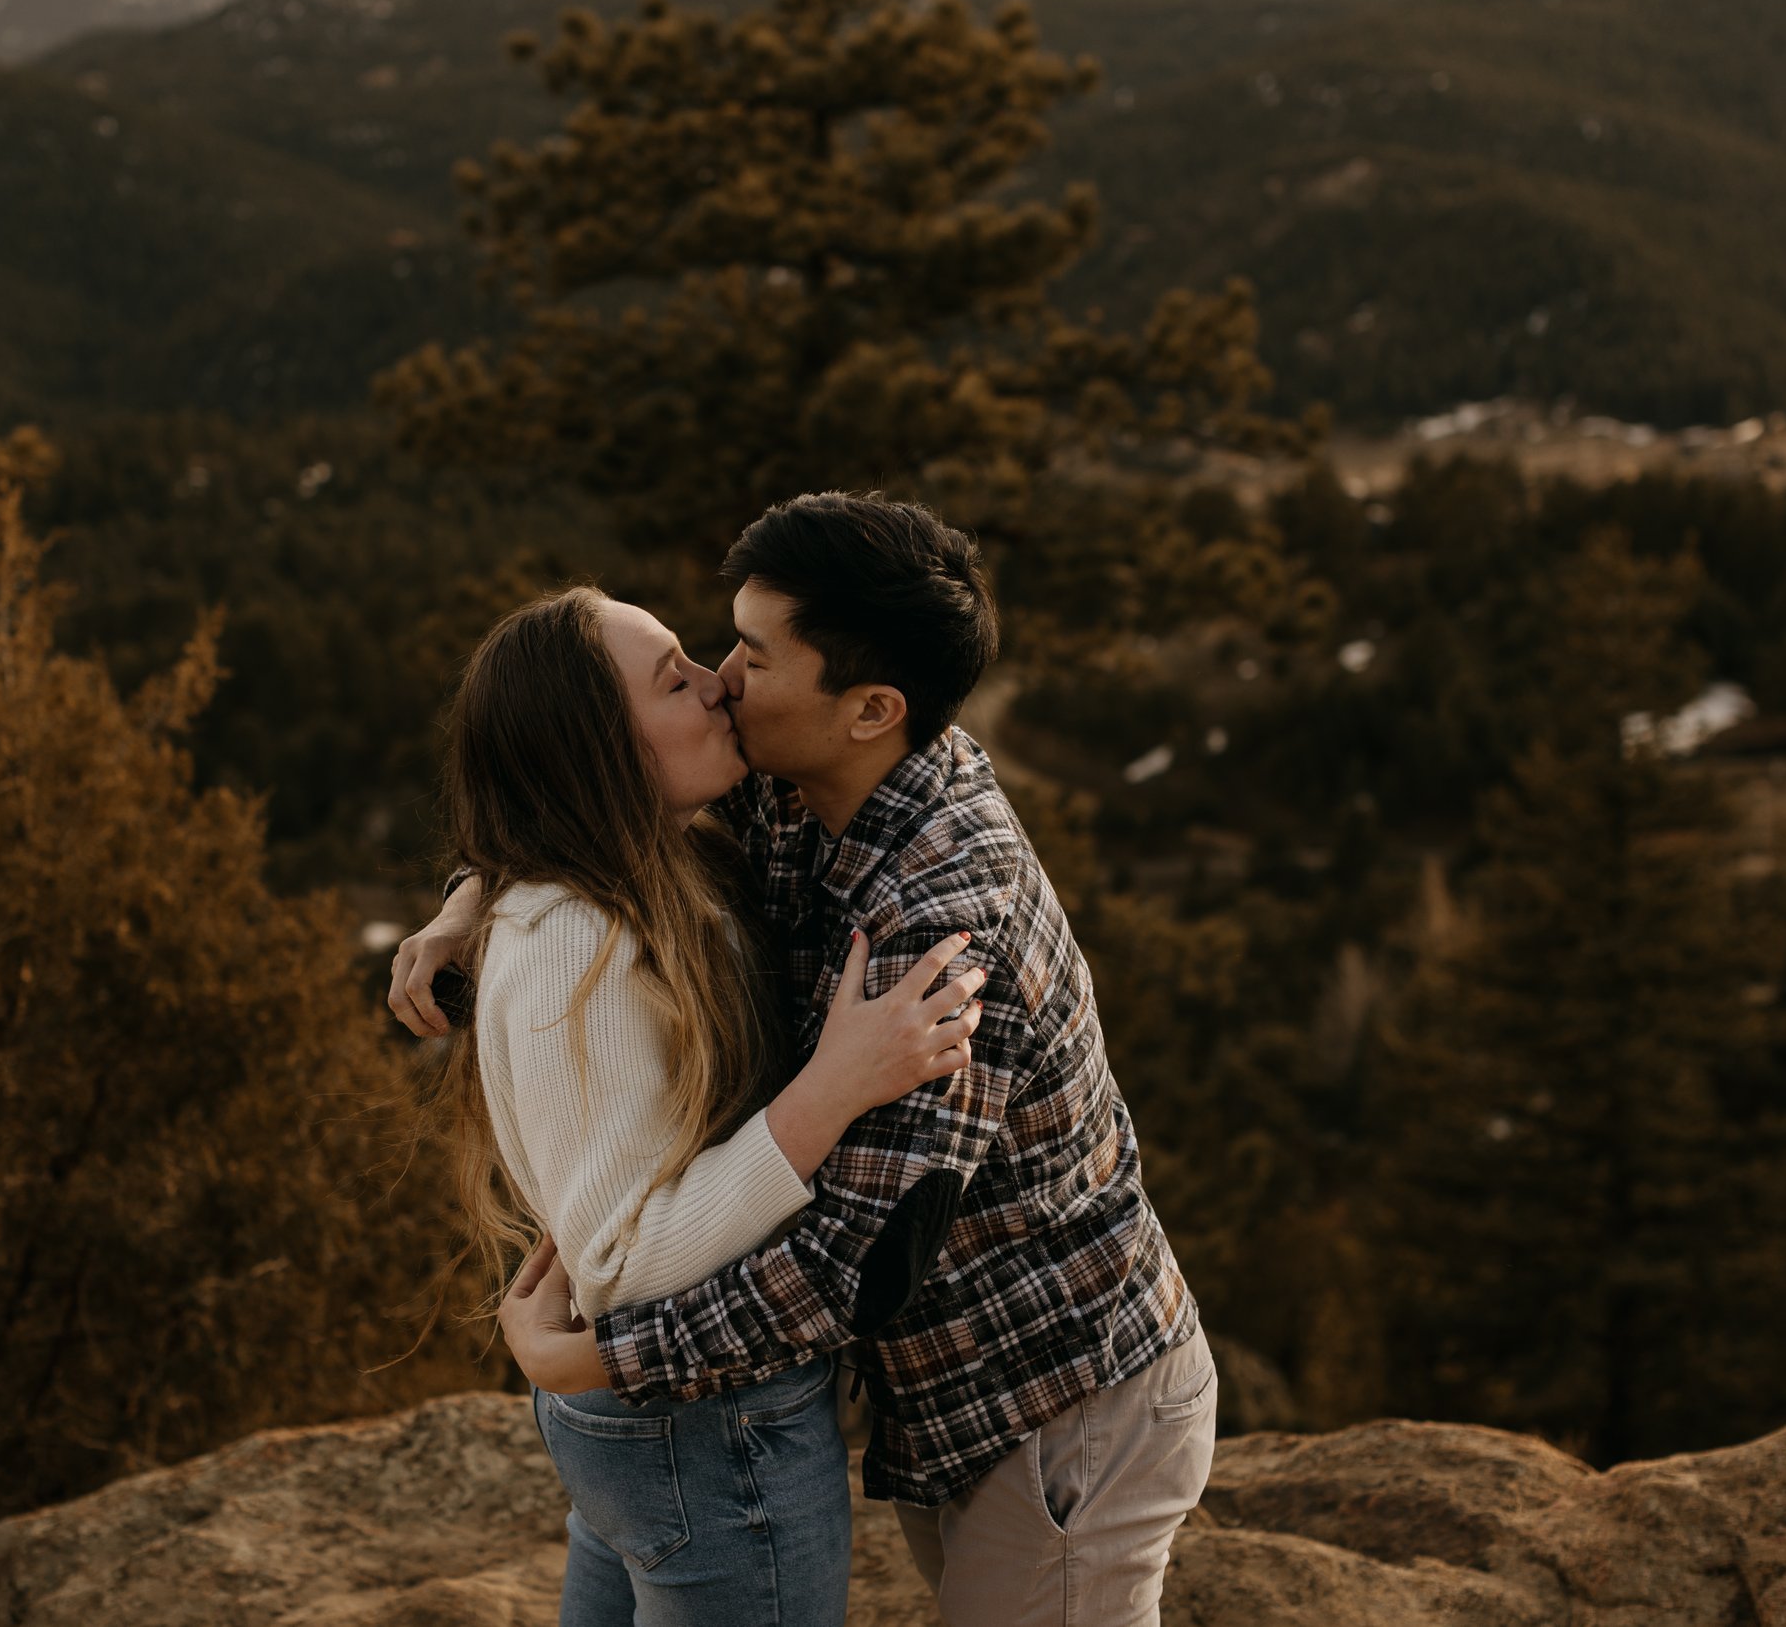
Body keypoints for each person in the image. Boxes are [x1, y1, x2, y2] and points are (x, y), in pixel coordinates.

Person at [393, 494, 1217, 1627]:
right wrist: (473, 895)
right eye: (713, 648)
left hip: (1055, 1400)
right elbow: (600, 790)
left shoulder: (933, 942)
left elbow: (847, 1265)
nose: (723, 676)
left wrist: (601, 1361)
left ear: (871, 707)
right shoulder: (813, 777)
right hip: (954, 1381)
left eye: (752, 655)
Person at [411, 584, 991, 1627]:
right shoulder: (571, 940)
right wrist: (834, 1086)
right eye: (673, 677)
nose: (716, 683)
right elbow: (628, 1264)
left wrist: (469, 894)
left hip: (669, 1415)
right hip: (706, 1425)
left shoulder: (658, 862)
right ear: (598, 749)